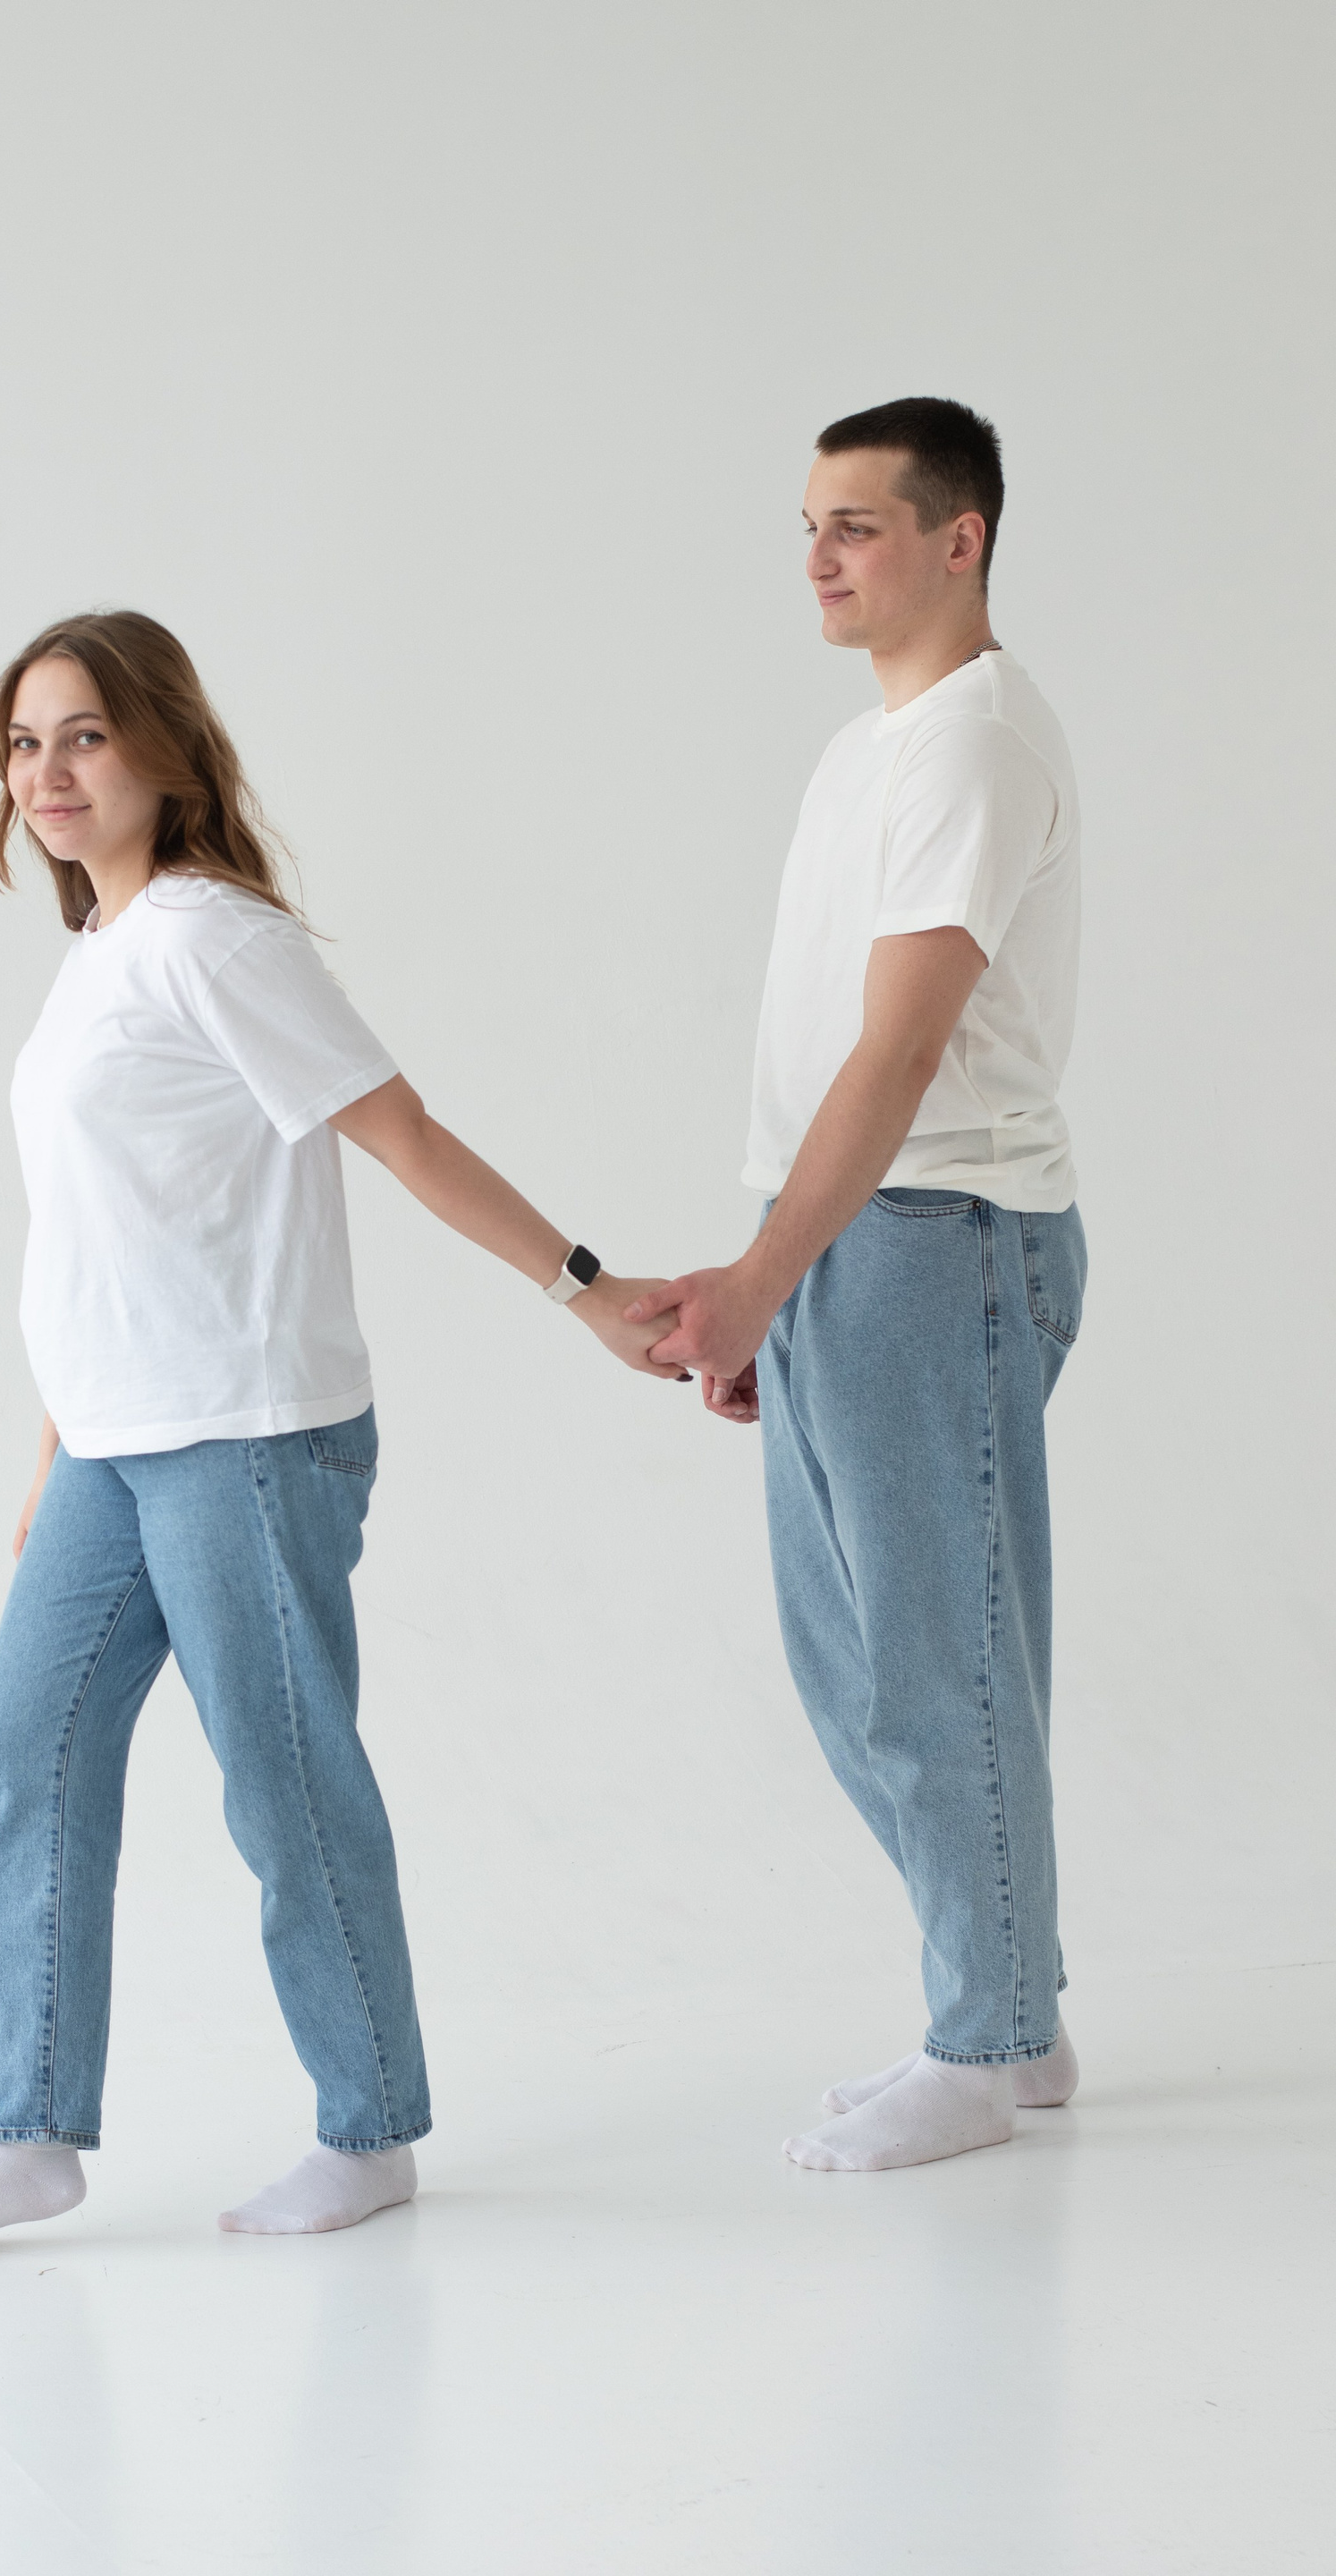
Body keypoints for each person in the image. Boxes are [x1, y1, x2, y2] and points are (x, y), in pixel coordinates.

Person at [0, 611, 683, 2266]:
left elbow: (404, 1135)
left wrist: (589, 1291)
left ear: (165, 748)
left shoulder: (213, 938)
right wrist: (54, 1446)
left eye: (84, 735)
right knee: (25, 1758)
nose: (47, 773)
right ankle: (28, 2129)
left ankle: (367, 2129)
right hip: (116, 1443)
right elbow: (114, 1231)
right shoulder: (100, 954)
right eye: (23, 743)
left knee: (285, 1784)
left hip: (245, 1435)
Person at [630, 398, 1087, 2172]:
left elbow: (901, 1056)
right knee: (862, 1668)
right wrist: (780, 1266)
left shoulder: (978, 745)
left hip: (934, 1235)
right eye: (808, 526)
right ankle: (1010, 2011)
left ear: (960, 541)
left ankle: (985, 2040)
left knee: (932, 1665)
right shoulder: (869, 751)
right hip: (852, 1241)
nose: (818, 558)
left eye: (858, 526)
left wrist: (764, 1276)